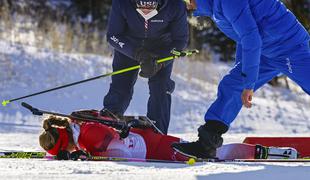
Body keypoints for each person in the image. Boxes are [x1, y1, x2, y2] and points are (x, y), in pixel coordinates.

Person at [172, 0, 310, 158]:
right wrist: (243, 74)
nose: (185, 4)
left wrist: (249, 84)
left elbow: (251, 38)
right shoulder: (216, 7)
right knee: (232, 85)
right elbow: (243, 38)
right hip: (264, 51)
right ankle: (206, 145)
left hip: (289, 46)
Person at [38, 110, 298, 161]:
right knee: (206, 154)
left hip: (152, 148)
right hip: (147, 142)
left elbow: (122, 154)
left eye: (62, 151)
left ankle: (273, 152)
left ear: (66, 140)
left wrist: (88, 156)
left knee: (212, 156)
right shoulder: (77, 125)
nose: (65, 154)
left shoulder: (89, 136)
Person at [103, 0, 189, 134]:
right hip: (129, 47)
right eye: (142, 3)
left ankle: (157, 130)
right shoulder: (121, 3)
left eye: (150, 4)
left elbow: (180, 40)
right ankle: (108, 122)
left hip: (161, 50)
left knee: (161, 86)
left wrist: (160, 62)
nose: (146, 9)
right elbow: (113, 36)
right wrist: (137, 53)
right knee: (120, 87)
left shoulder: (176, 5)